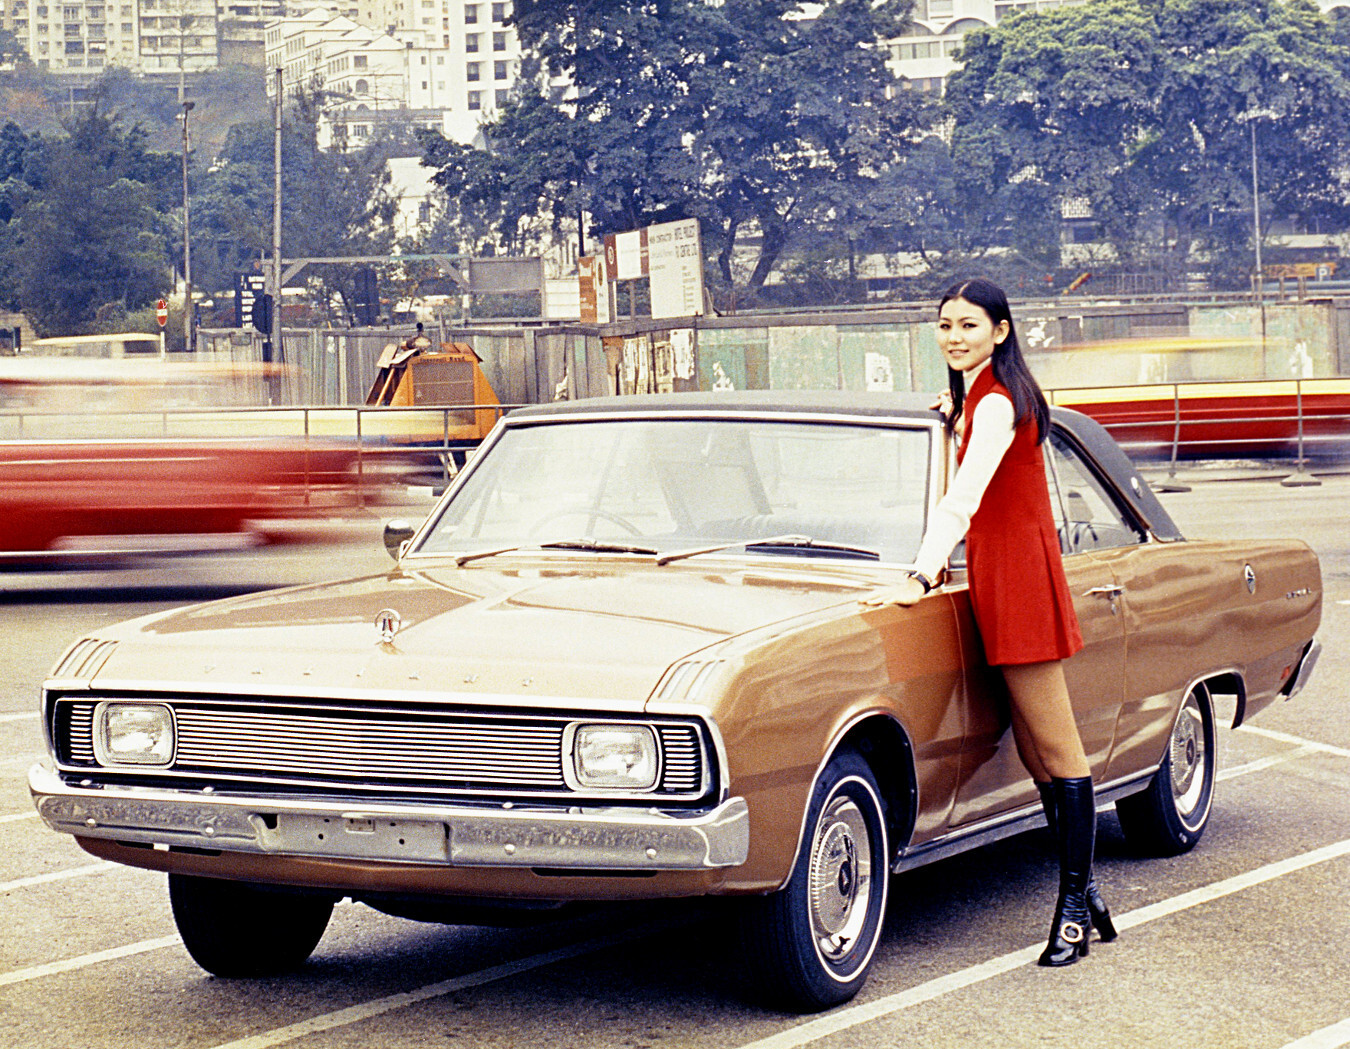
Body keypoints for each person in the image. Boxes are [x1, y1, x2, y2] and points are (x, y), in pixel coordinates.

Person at [863, 277, 1117, 967]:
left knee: (1058, 749)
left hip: (1022, 584)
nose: (954, 336)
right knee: (1033, 750)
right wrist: (952, 412)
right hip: (999, 582)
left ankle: (1071, 912)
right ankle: (1086, 890)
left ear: (1001, 332)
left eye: (969, 325)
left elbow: (963, 497)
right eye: (945, 324)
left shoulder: (1000, 403)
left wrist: (921, 569)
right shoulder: (978, 398)